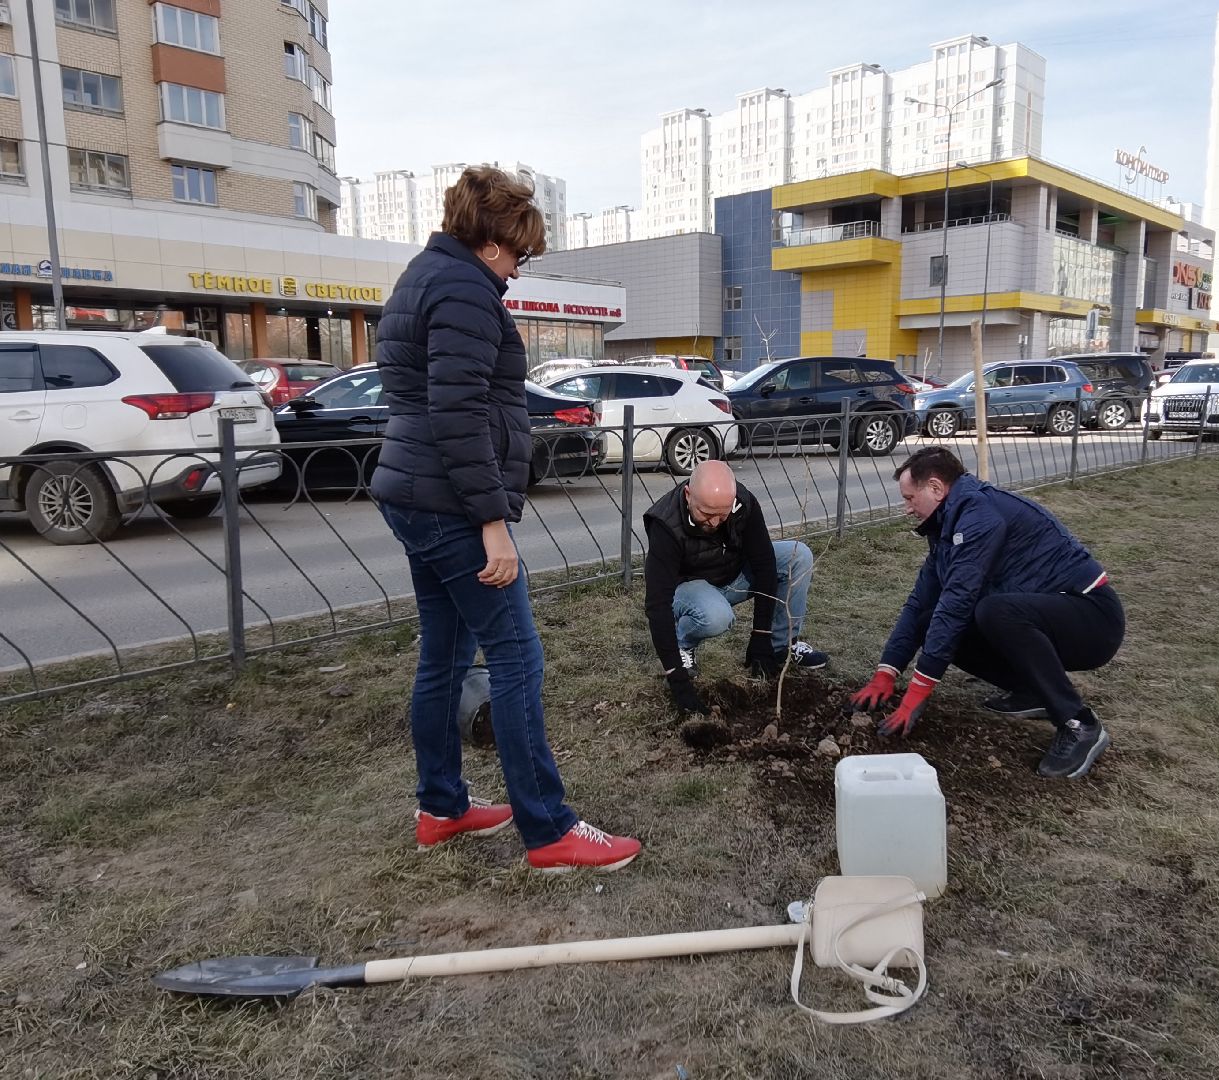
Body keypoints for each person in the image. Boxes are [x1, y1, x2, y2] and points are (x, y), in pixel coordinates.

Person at [372, 166, 640, 872]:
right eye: (520, 254)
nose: (519, 271)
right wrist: (492, 521)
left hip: (416, 490)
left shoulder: (422, 275)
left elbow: (433, 399)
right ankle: (549, 828)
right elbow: (456, 412)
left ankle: (443, 808)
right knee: (518, 655)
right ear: (492, 240)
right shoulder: (463, 289)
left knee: (445, 655)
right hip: (449, 502)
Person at [849, 447, 1125, 779]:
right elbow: (920, 602)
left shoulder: (980, 516)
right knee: (929, 620)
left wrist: (918, 691)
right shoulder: (947, 528)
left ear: (935, 488)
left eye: (910, 498)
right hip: (1045, 616)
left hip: (1093, 619)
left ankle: (1079, 723)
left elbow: (957, 601)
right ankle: (1032, 690)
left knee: (995, 611)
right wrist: (887, 672)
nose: (907, 509)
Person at [644, 460, 829, 714]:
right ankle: (683, 643)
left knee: (799, 556)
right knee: (717, 616)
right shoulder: (665, 524)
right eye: (706, 514)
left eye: (723, 514)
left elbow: (764, 564)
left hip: (734, 575)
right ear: (688, 495)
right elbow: (657, 604)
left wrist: (760, 637)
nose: (715, 522)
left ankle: (782, 645)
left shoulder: (742, 503)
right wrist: (679, 683)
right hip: (691, 589)